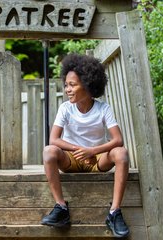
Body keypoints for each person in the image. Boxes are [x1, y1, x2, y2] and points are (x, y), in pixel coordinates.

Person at [40, 54, 130, 237]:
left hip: (97, 160)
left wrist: (92, 151)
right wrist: (79, 150)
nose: (67, 89)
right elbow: (54, 140)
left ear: (88, 85)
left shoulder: (103, 109)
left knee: (121, 153)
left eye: (72, 85)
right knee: (49, 152)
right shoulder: (66, 108)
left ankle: (114, 212)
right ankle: (61, 207)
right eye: (66, 85)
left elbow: (117, 140)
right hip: (72, 160)